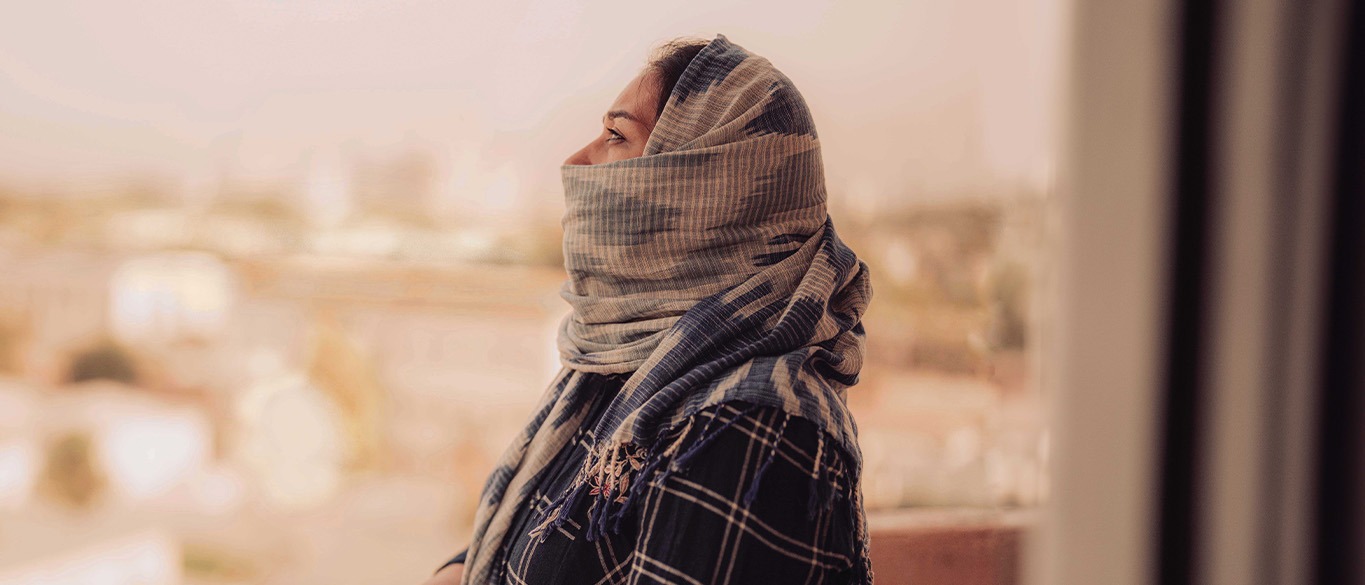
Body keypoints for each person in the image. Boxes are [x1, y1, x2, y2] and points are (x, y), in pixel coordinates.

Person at [423, 33, 874, 585]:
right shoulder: (631, 364)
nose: (576, 161)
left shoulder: (751, 426)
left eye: (616, 135)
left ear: (704, 185)